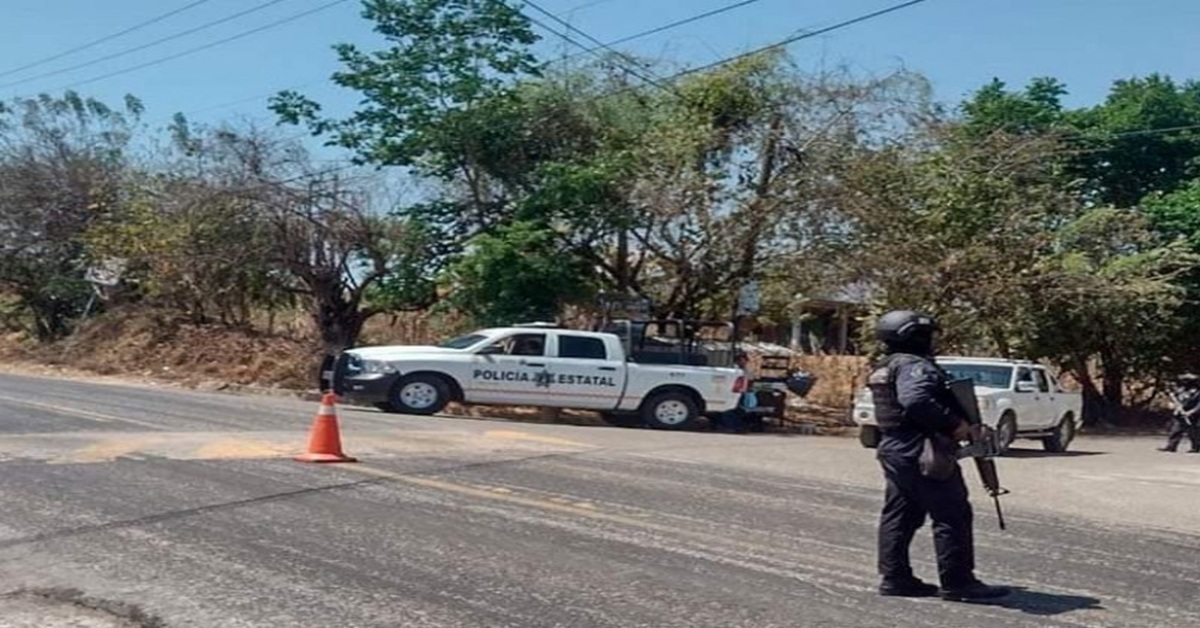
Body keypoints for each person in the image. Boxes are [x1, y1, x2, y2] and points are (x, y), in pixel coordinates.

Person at [867, 309, 1010, 601]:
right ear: (915, 336)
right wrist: (955, 425)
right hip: (923, 450)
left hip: (896, 447)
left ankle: (895, 577)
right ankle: (958, 582)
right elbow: (916, 399)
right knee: (952, 514)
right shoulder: (914, 366)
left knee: (901, 513)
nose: (932, 341)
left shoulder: (886, 366)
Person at [1158, 373, 1200, 453]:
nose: (1184, 382)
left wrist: (1192, 412)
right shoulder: (1181, 390)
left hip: (1193, 415)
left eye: (1186, 380)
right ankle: (1171, 446)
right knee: (1175, 430)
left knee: (1193, 432)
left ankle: (1196, 447)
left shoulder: (1197, 392)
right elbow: (1175, 399)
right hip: (1180, 414)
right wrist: (1172, 405)